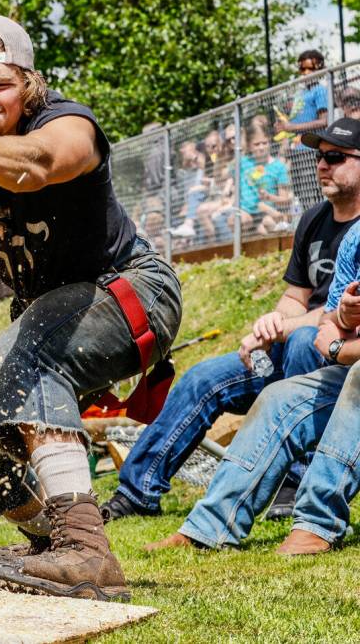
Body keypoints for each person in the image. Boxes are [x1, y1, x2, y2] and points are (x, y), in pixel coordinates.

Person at [0, 14, 183, 602]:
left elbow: (38, 164)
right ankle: (49, 546)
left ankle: (87, 552)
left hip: (133, 290)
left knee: (26, 351)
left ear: (27, 85)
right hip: (52, 309)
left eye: (0, 84)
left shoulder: (66, 122)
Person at [102, 117, 360, 525]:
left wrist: (288, 328)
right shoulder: (313, 219)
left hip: (338, 360)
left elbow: (332, 315)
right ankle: (136, 491)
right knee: (203, 378)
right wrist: (267, 325)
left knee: (300, 341)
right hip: (295, 347)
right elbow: (295, 296)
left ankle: (296, 484)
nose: (322, 165)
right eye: (318, 157)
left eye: (335, 156)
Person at [275, 50, 329, 196]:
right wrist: (285, 128)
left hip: (311, 149)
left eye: (310, 69)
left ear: (320, 69)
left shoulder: (320, 91)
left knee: (312, 191)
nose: (305, 73)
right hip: (297, 149)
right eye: (302, 69)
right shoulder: (300, 93)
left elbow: (324, 121)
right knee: (300, 192)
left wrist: (292, 127)